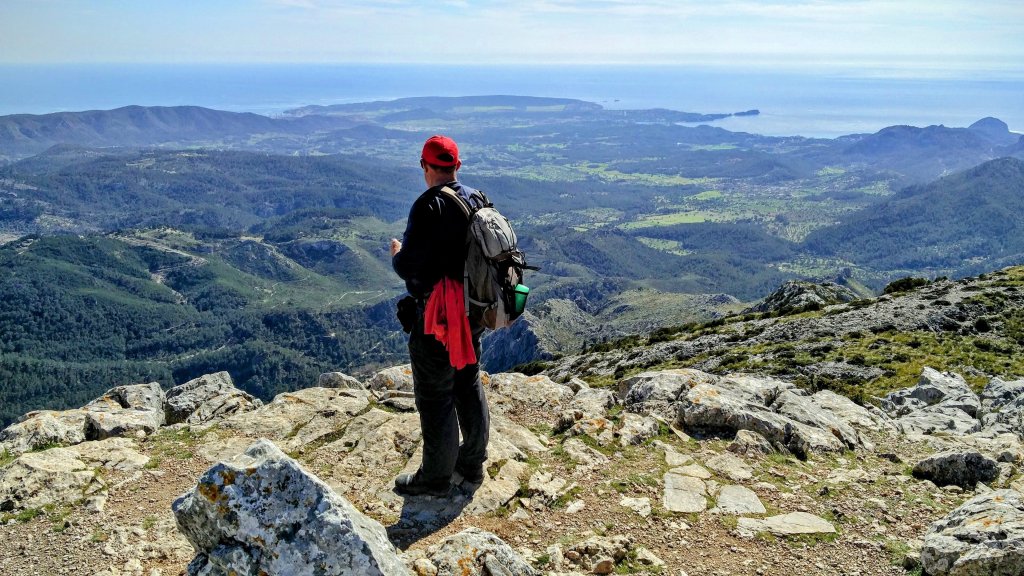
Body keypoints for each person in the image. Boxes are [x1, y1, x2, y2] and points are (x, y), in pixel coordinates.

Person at [389, 135, 489, 496]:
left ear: (424, 166)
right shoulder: (477, 198)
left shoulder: (429, 205)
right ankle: (472, 462)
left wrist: (397, 253)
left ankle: (435, 479)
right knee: (467, 381)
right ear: (457, 166)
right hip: (473, 311)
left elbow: (408, 266)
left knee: (435, 396)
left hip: (440, 318)